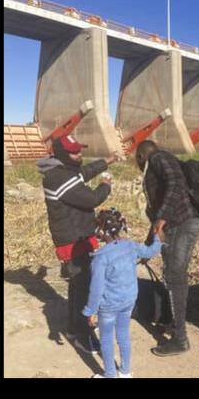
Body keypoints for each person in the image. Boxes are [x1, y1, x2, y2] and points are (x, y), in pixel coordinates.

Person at [37, 134, 117, 354]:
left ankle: (75, 325)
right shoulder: (58, 178)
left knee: (79, 285)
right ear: (62, 155)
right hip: (72, 241)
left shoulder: (65, 171)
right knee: (83, 287)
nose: (79, 155)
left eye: (79, 150)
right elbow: (91, 199)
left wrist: (106, 161)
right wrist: (105, 185)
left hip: (80, 235)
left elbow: (83, 174)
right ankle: (80, 334)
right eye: (74, 152)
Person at [135, 140, 199, 356]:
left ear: (141, 155)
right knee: (173, 275)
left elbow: (176, 183)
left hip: (182, 223)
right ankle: (172, 322)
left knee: (175, 277)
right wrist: (149, 244)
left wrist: (162, 218)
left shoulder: (158, 158)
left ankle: (180, 339)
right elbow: (158, 212)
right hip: (176, 225)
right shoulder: (159, 163)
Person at [84, 208, 163, 378]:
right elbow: (150, 251)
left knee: (106, 338)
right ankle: (126, 371)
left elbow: (96, 289)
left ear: (101, 231)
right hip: (128, 300)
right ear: (121, 226)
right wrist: (157, 237)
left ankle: (110, 374)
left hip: (109, 305)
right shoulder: (131, 246)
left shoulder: (100, 257)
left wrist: (90, 311)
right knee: (123, 335)